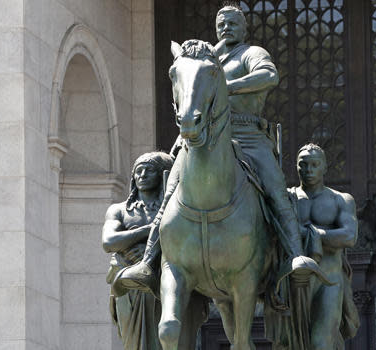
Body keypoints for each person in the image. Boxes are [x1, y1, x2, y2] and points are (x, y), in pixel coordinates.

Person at [112, 4, 330, 297]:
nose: (225, 27)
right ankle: (149, 263)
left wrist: (226, 86)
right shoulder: (206, 57)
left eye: (232, 22)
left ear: (244, 28)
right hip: (204, 136)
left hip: (249, 134)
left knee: (276, 190)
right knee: (169, 194)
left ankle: (294, 256)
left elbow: (269, 76)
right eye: (221, 23)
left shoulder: (252, 53)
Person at [289, 144, 360, 349]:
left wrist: (313, 234)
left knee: (320, 343)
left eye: (314, 165)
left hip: (329, 280)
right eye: (303, 165)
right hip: (295, 282)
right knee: (292, 345)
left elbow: (349, 236)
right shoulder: (287, 198)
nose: (308, 170)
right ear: (296, 167)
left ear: (325, 167)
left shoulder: (341, 200)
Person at [102, 152, 173, 350]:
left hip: (162, 283)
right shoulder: (119, 210)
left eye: (148, 170)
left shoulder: (172, 209)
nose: (142, 175)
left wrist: (150, 251)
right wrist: (150, 230)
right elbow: (108, 242)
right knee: (133, 344)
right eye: (138, 171)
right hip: (127, 284)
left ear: (162, 175)